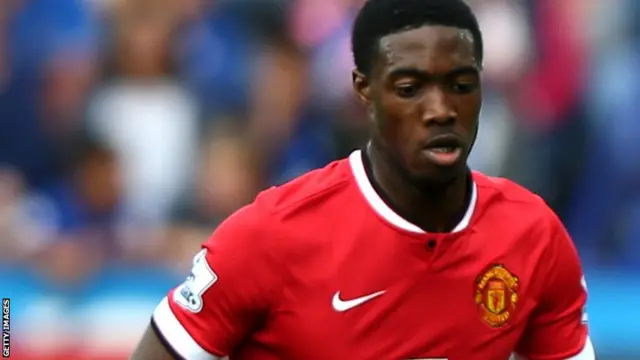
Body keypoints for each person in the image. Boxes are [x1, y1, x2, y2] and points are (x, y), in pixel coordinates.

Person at [130, 0, 596, 359]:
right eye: (410, 89)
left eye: (460, 84)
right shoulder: (271, 234)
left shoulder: (533, 236)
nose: (440, 110)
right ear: (364, 91)